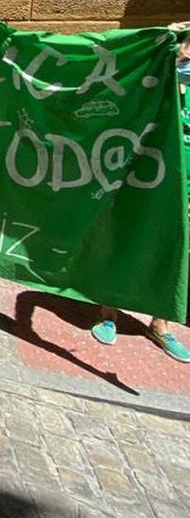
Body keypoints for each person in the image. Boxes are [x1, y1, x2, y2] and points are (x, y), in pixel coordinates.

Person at [90, 22, 190, 363]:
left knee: (174, 249)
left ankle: (160, 323)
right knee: (122, 238)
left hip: (183, 181)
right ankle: (109, 311)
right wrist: (166, 39)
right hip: (146, 174)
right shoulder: (158, 78)